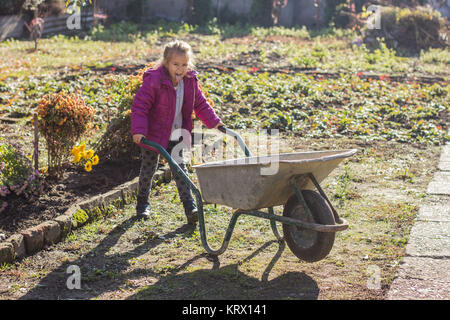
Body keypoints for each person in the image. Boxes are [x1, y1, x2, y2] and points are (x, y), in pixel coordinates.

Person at [131, 40, 224, 224]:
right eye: (176, 64)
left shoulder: (189, 81)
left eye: (184, 65)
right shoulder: (155, 80)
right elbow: (140, 106)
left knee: (180, 168)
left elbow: (200, 104)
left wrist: (214, 123)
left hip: (176, 133)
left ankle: (189, 206)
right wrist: (139, 131)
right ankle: (142, 204)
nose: (180, 69)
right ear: (166, 62)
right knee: (148, 170)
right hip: (153, 135)